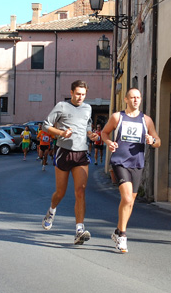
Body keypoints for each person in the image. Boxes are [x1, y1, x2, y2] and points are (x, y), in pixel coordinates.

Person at [102, 88, 161, 253]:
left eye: (138, 97)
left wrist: (152, 140)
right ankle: (122, 235)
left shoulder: (146, 120)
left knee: (130, 202)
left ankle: (117, 230)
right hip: (120, 161)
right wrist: (109, 143)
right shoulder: (117, 117)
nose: (135, 100)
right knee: (126, 198)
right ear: (126, 100)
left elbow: (158, 141)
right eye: (132, 97)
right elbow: (104, 133)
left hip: (137, 163)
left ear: (141, 99)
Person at [41, 80, 99, 244]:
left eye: (83, 94)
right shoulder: (61, 106)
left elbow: (87, 126)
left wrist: (91, 134)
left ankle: (79, 229)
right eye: (78, 94)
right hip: (64, 152)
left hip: (81, 153)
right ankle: (51, 210)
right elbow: (46, 125)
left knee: (80, 191)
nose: (80, 97)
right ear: (71, 92)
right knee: (60, 193)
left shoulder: (88, 108)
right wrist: (61, 132)